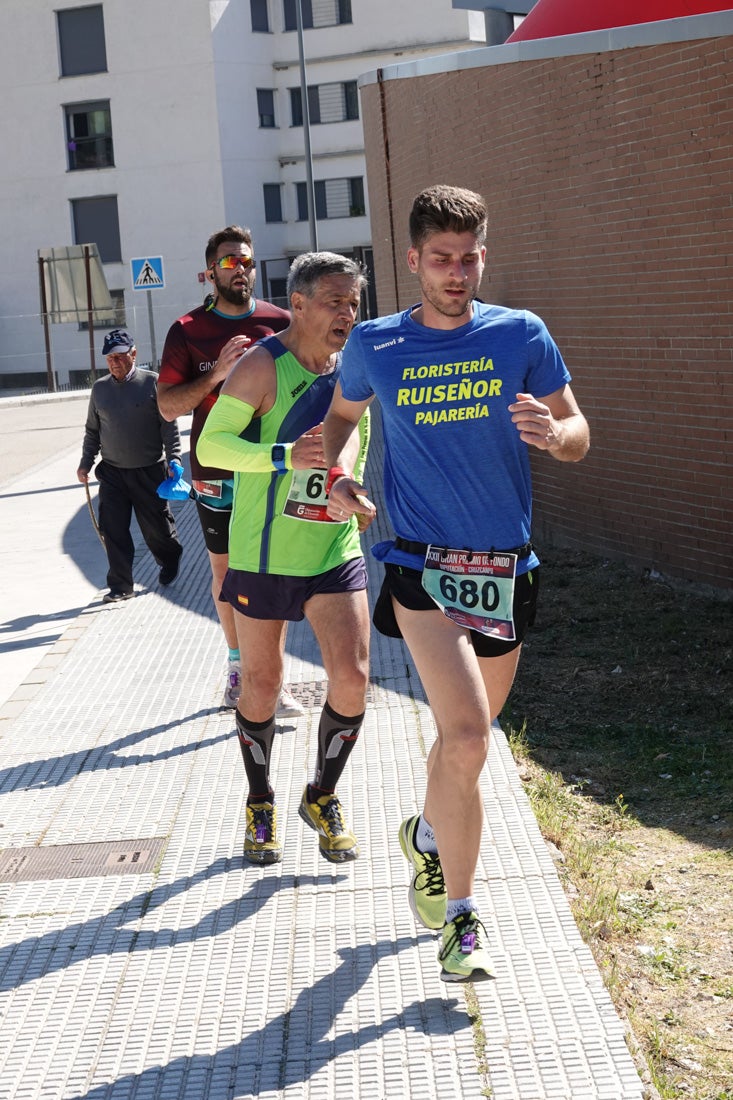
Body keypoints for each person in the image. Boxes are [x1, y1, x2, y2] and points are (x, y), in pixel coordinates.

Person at [322, 184, 590, 983]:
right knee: (471, 735)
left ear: (483, 254)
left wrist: (555, 434)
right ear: (411, 260)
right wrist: (338, 474)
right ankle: (461, 920)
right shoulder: (376, 344)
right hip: (418, 563)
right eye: (439, 258)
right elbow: (338, 420)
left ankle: (429, 837)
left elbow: (577, 432)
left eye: (468, 256)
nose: (455, 271)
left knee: (460, 748)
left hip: (505, 567)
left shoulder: (521, 334)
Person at [197, 252, 371, 866]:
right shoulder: (262, 366)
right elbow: (211, 445)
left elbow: (354, 444)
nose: (347, 313)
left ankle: (321, 795)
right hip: (264, 553)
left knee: (352, 679)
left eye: (354, 302)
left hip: (331, 546)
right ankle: (259, 799)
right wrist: (281, 456)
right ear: (297, 304)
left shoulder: (359, 366)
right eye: (334, 301)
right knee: (264, 684)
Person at [157, 225, 303, 716]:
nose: (239, 270)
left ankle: (273, 679)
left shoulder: (282, 320)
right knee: (226, 572)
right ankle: (238, 668)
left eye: (245, 261)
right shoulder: (187, 330)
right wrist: (216, 375)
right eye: (228, 262)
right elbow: (166, 407)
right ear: (209, 270)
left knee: (274, 567)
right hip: (216, 469)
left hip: (273, 467)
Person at [77, 329, 183, 603]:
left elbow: (168, 426)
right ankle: (121, 585)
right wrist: (85, 463)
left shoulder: (153, 384)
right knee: (113, 529)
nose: (114, 362)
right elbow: (92, 431)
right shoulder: (99, 389)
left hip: (149, 471)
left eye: (120, 356)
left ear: (134, 354)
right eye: (110, 357)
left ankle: (169, 558)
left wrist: (174, 458)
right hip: (112, 473)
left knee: (156, 530)